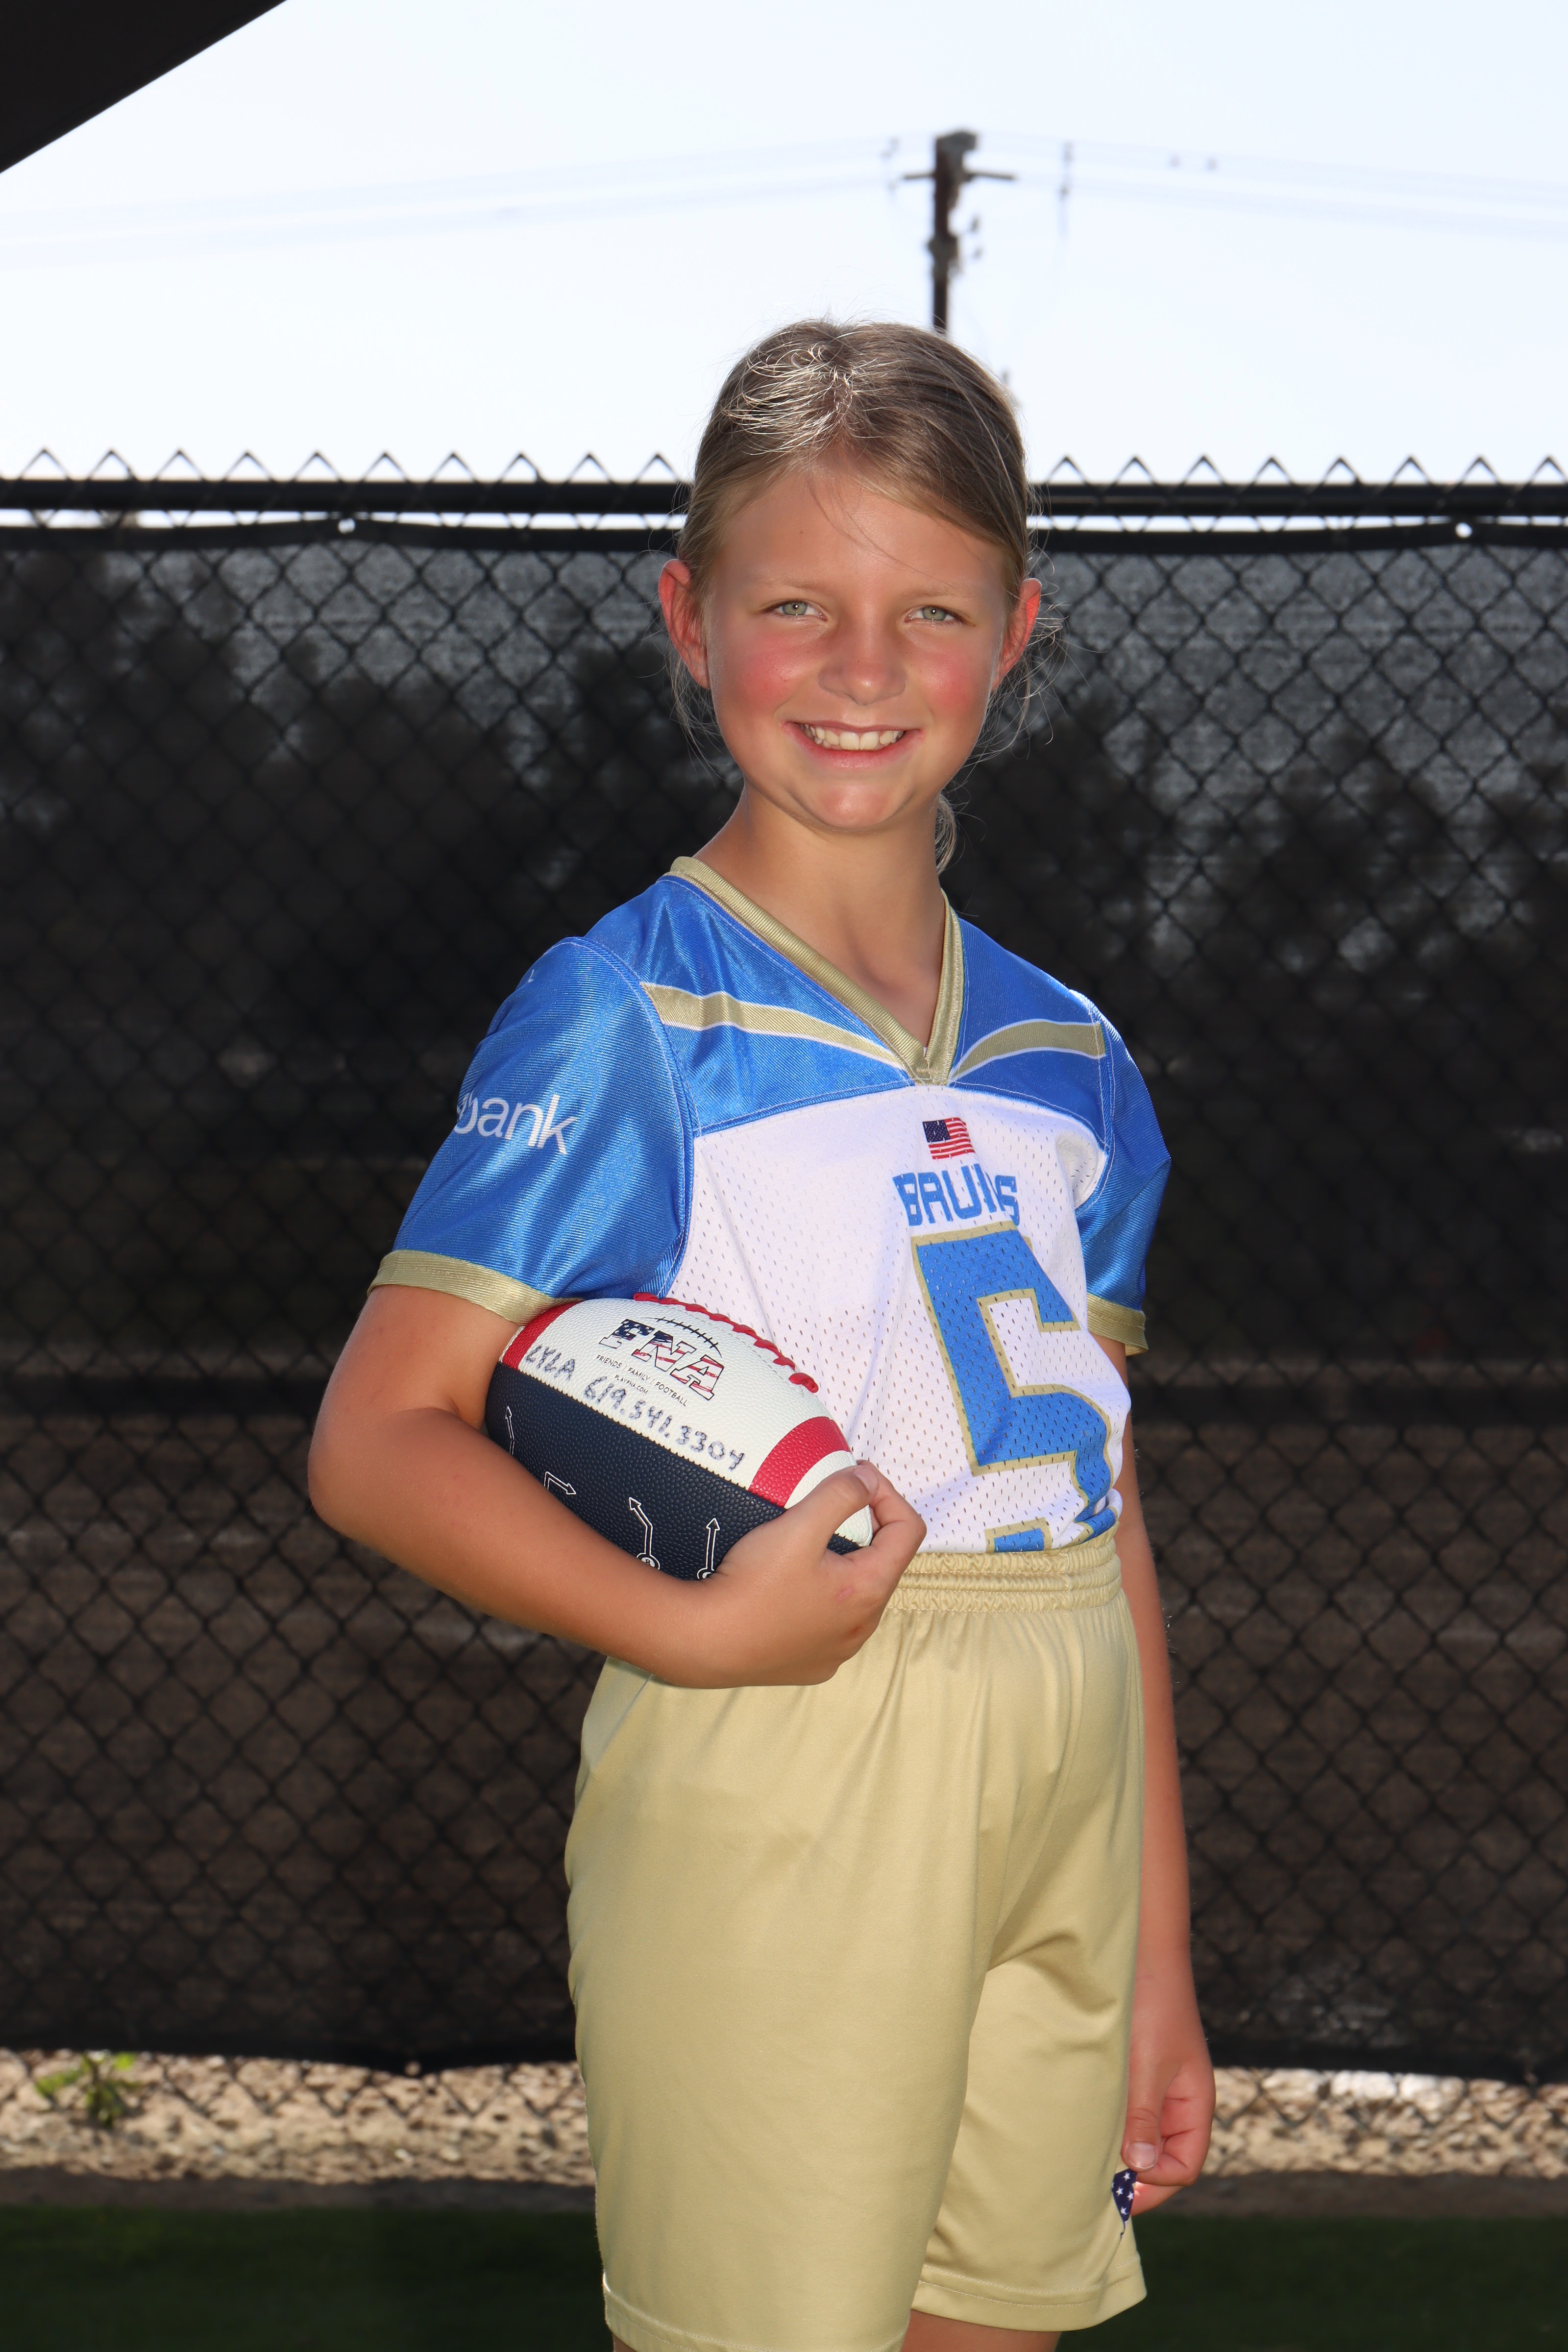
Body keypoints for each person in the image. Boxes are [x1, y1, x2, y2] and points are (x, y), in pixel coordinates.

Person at [309, 319, 1214, 2352]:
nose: (862, 668)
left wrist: (1155, 1946)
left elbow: (1101, 1497)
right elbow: (379, 1438)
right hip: (793, 1747)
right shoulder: (630, 1011)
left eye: (931, 612)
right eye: (796, 604)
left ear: (1018, 632)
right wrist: (700, 1632)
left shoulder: (1075, 1059)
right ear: (689, 618)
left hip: (1064, 1755)